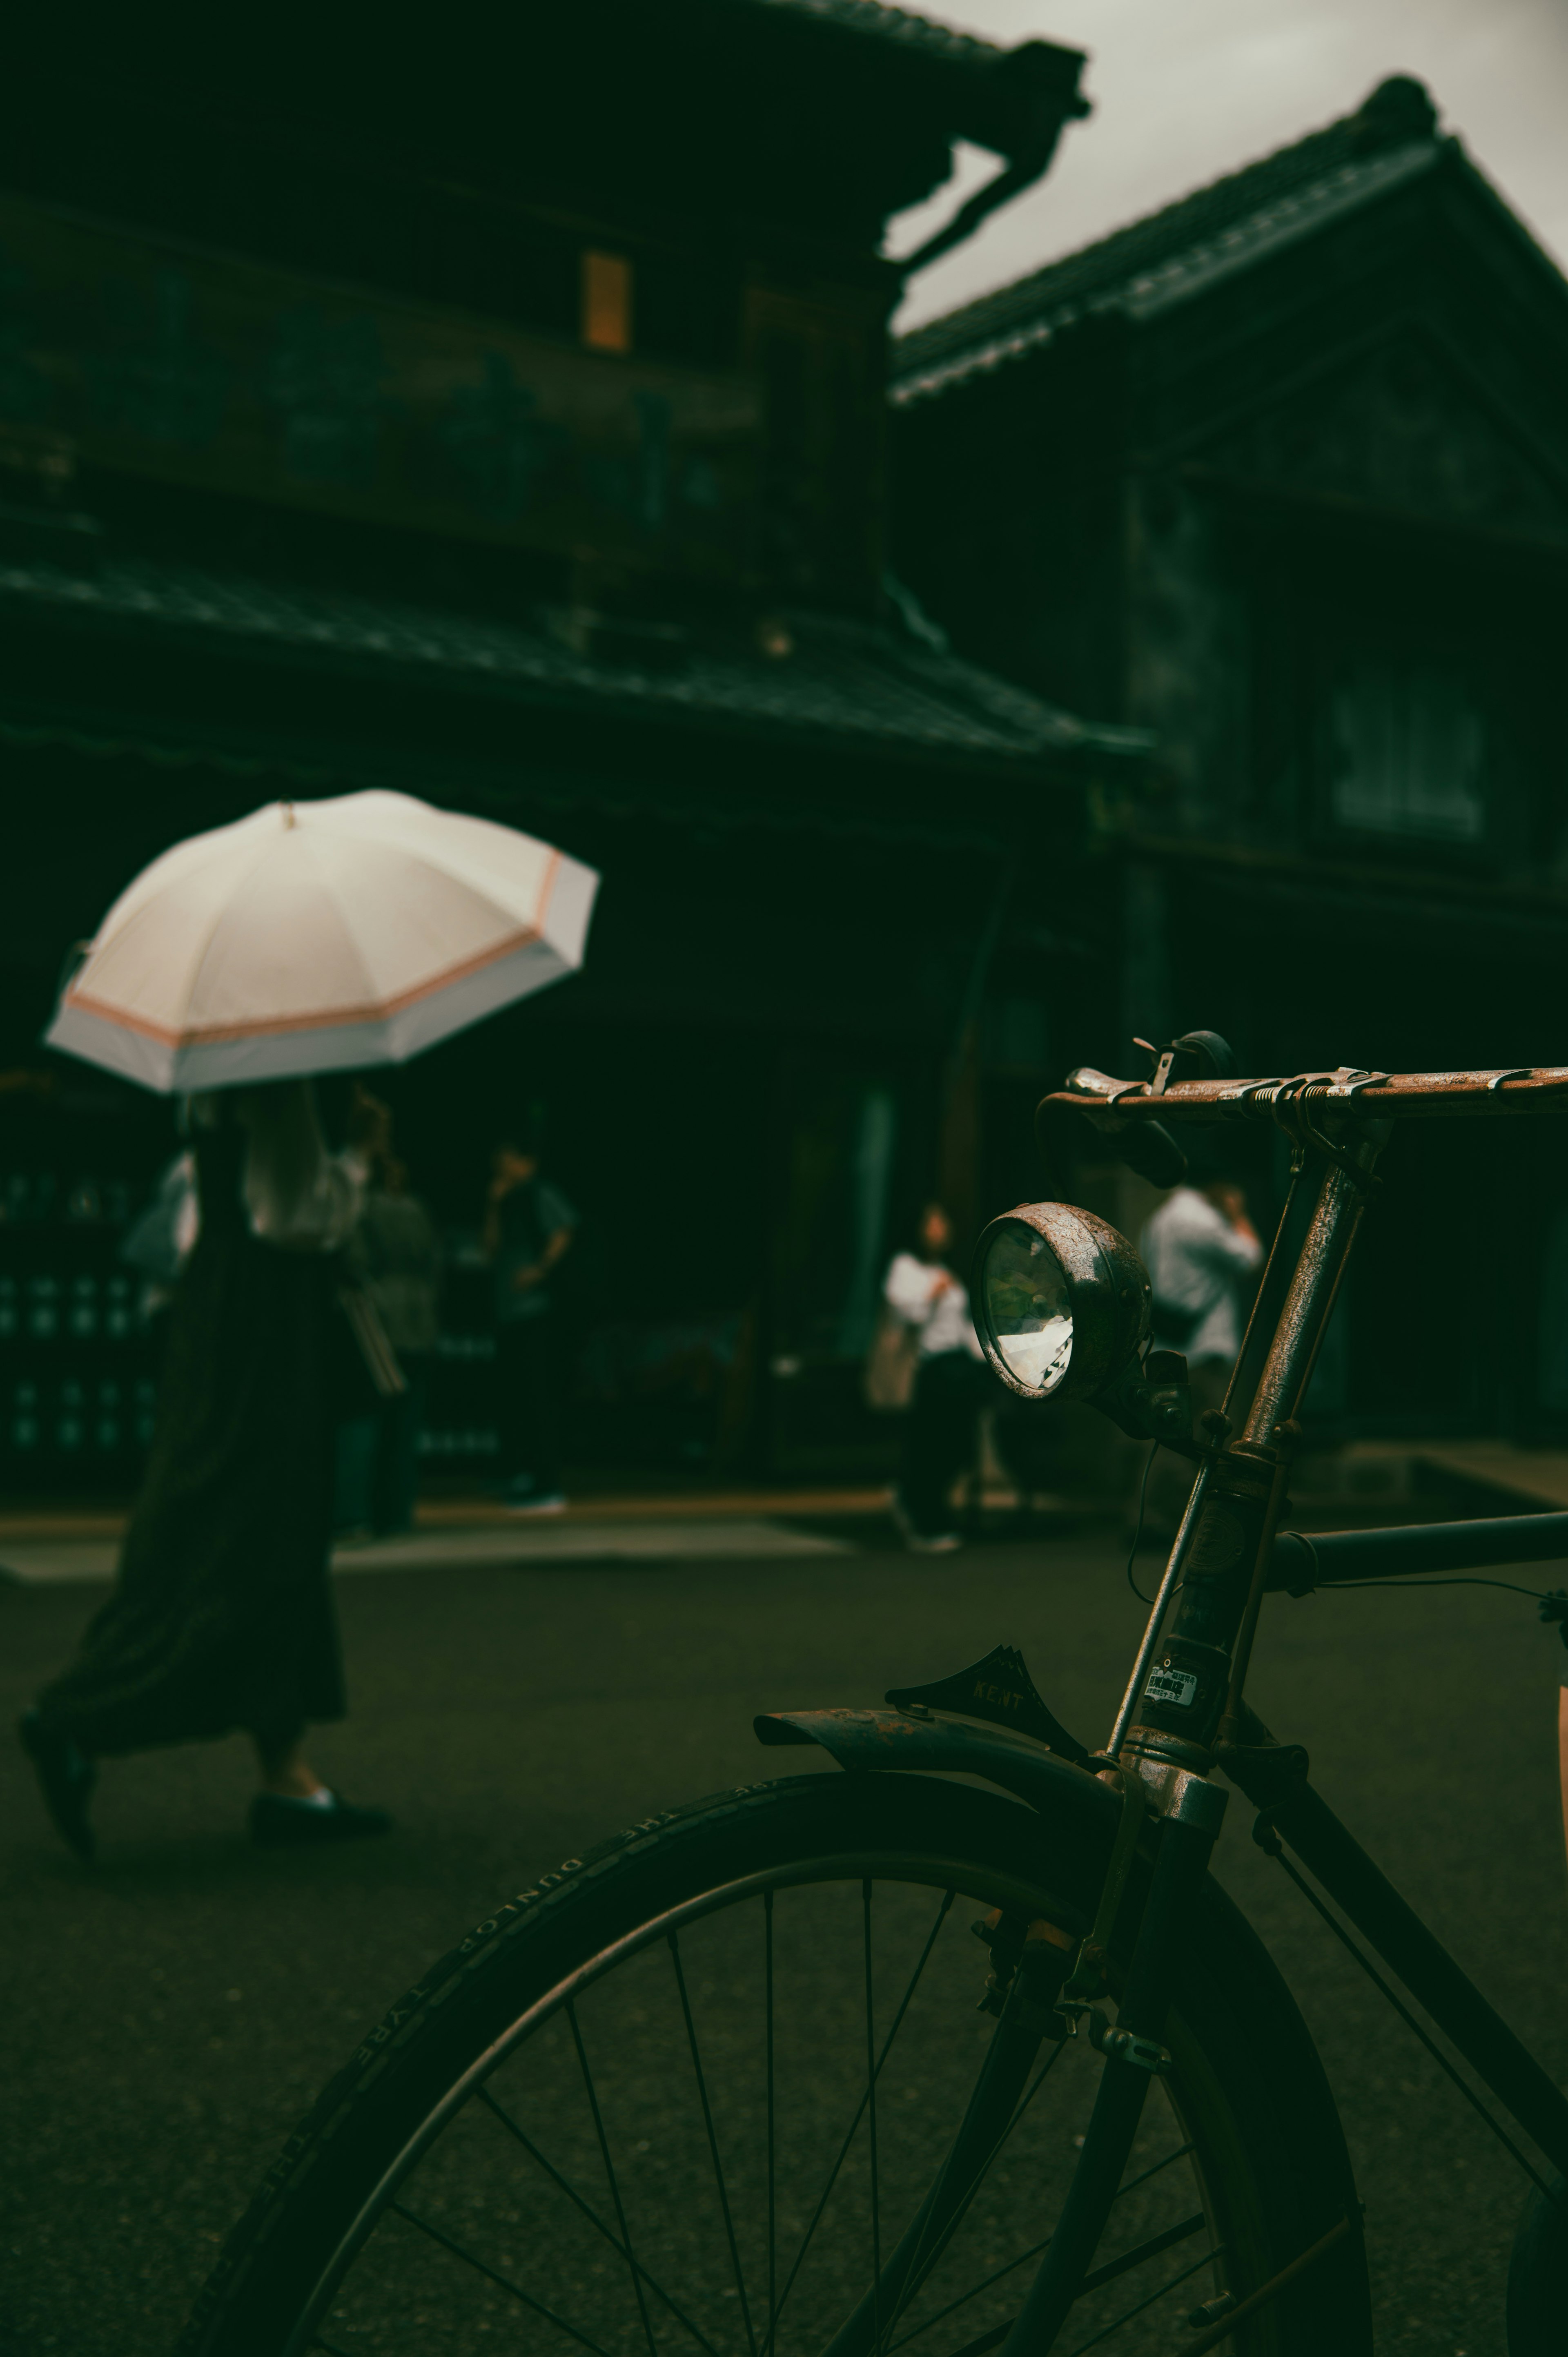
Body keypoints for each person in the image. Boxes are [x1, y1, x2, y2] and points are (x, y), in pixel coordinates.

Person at [18, 1080, 392, 1858]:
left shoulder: (212, 1089)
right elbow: (300, 1218)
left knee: (239, 1525)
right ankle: (78, 1715)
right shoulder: (280, 1085)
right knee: (251, 1532)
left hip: (219, 1310)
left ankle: (288, 1775)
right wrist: (359, 1155)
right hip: (268, 1321)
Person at [335, 1088, 442, 1541]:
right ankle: (397, 1513)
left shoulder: (361, 1205)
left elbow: (353, 1261)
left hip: (376, 1317)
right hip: (419, 1319)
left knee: (363, 1417)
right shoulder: (417, 1210)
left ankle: (354, 1513)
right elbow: (438, 1265)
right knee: (406, 1423)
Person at [1139, 1172, 1264, 1531]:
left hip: (1171, 1345)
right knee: (1208, 1436)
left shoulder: (1160, 1219)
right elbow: (1250, 1257)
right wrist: (1238, 1214)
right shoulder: (1201, 1220)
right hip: (1205, 1347)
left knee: (1169, 1433)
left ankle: (1156, 1517)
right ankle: (1190, 1521)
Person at [883, 1202, 988, 1554]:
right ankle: (923, 1515)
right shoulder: (906, 1267)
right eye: (933, 1221)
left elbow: (964, 1326)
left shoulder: (947, 1271)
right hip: (931, 1368)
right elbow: (903, 1312)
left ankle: (929, 1506)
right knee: (931, 1445)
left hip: (959, 1365)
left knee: (956, 1443)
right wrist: (933, 1293)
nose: (941, 1228)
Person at [483, 1135, 577, 1514]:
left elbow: (564, 1231)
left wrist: (540, 1270)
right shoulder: (507, 1198)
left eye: (507, 1157)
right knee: (516, 1396)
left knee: (537, 1396)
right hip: (509, 1311)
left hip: (535, 1310)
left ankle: (547, 1483)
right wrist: (492, 1203)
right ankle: (523, 1471)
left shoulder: (539, 1192)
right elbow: (489, 1248)